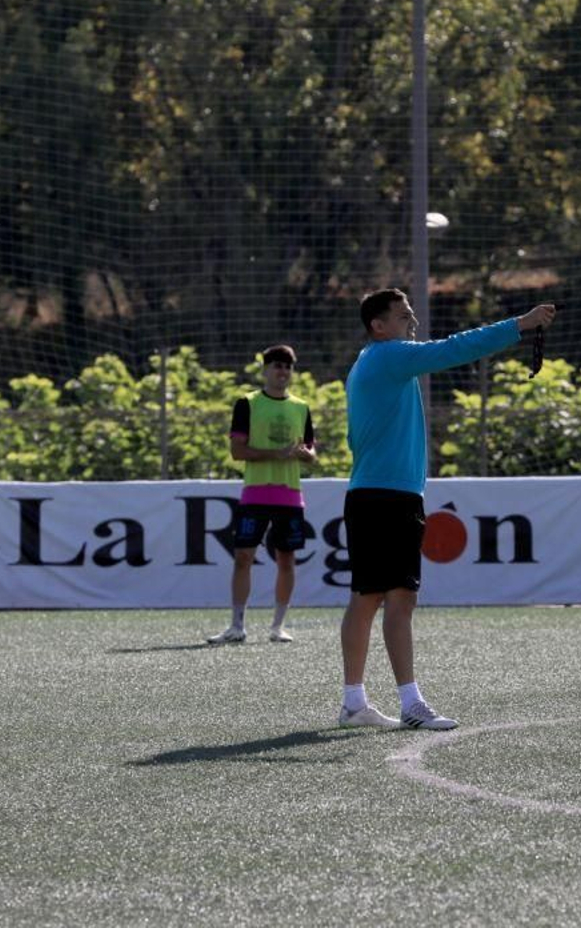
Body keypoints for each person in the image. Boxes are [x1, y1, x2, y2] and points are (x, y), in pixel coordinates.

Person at [335, 288, 556, 730]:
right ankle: (409, 703)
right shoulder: (390, 356)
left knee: (368, 597)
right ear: (379, 326)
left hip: (375, 494)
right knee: (398, 597)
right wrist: (520, 324)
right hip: (387, 497)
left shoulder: (368, 361)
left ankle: (354, 703)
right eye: (403, 316)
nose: (411, 321)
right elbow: (456, 348)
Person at [206, 344, 317, 645]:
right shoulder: (248, 403)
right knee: (243, 557)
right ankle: (236, 626)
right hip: (255, 495)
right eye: (277, 365)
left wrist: (304, 454)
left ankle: (278, 627)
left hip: (290, 496)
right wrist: (276, 454)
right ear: (265, 370)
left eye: (287, 366)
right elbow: (237, 450)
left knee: (287, 561)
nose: (283, 371)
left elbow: (311, 452)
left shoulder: (301, 407)